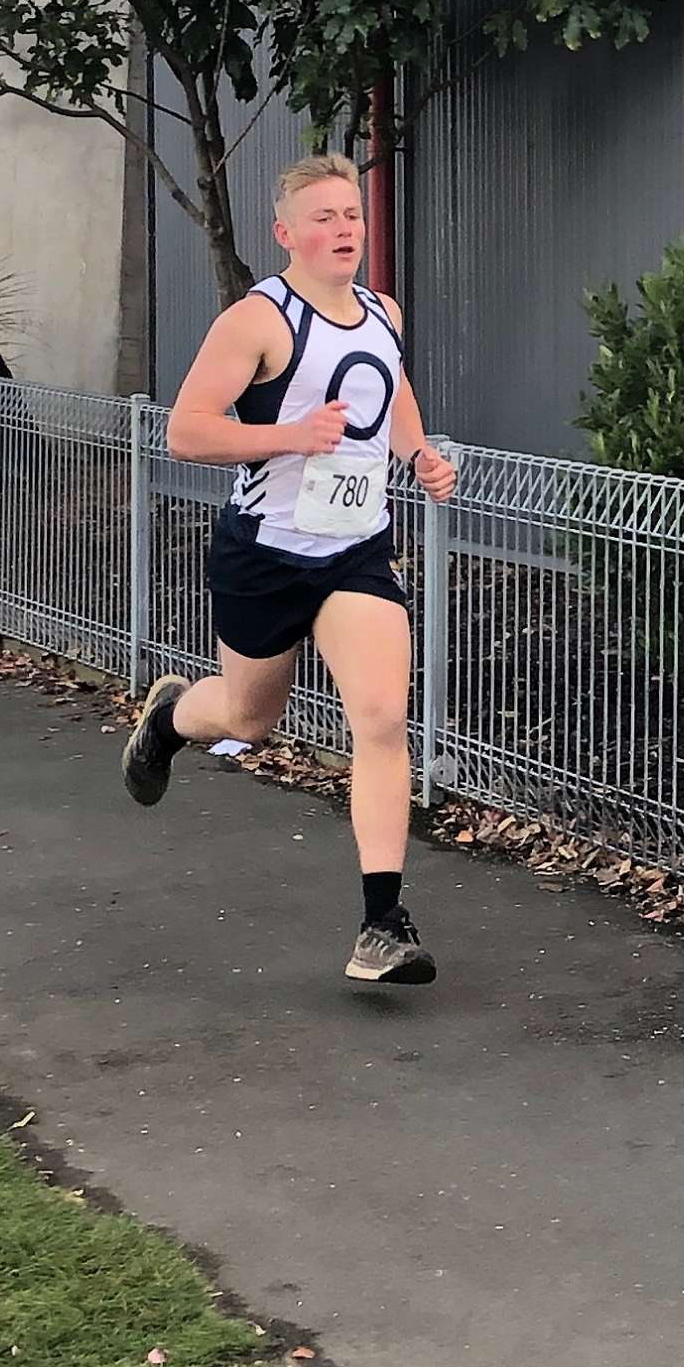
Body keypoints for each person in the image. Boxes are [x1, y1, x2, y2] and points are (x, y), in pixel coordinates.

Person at [120, 153, 457, 985]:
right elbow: (187, 431)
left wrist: (418, 453)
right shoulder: (258, 321)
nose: (345, 230)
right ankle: (170, 721)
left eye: (353, 215)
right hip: (265, 554)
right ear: (286, 234)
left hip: (356, 550)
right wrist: (289, 437)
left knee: (381, 717)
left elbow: (392, 389)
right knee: (249, 717)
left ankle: (382, 926)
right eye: (324, 219)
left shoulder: (383, 312)